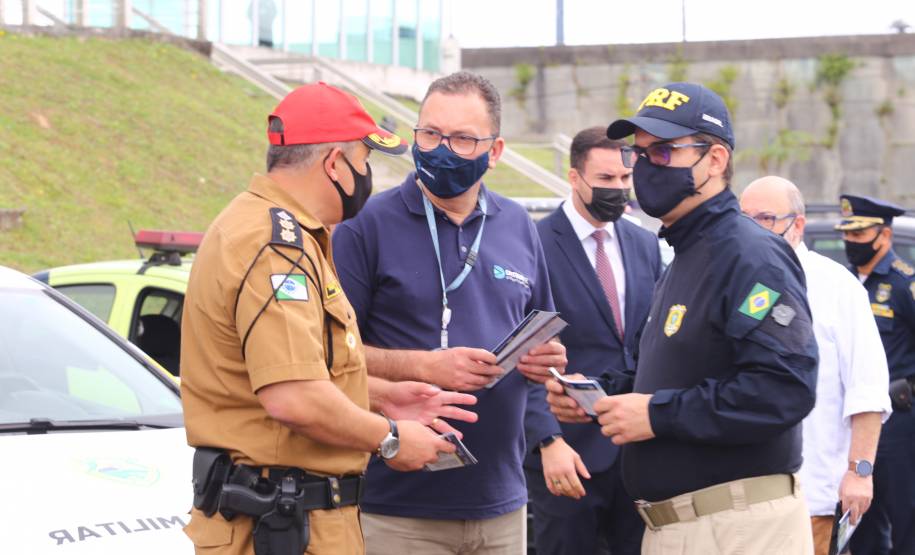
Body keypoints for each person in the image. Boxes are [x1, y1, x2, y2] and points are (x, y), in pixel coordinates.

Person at [180, 82, 480, 555]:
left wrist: (380, 399)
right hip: (281, 525)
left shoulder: (280, 232)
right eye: (364, 162)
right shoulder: (275, 246)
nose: (367, 176)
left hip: (292, 518)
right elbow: (293, 397)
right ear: (334, 163)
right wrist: (391, 439)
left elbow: (299, 372)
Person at [545, 82, 819, 553]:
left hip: (735, 525)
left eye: (665, 151)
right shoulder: (684, 254)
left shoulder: (750, 255)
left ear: (715, 160)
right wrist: (601, 395)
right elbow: (674, 373)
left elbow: (784, 388)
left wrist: (656, 415)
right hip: (684, 524)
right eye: (642, 152)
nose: (647, 166)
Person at [332, 71, 572, 554]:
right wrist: (423, 366)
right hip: (398, 507)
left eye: (463, 139)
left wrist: (543, 364)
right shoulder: (364, 226)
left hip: (502, 503)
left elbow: (540, 335)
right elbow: (331, 353)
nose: (442, 150)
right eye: (430, 134)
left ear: (496, 151)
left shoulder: (519, 225)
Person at [523, 127, 660, 555]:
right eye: (606, 180)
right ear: (574, 177)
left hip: (637, 454)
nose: (618, 190)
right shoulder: (535, 244)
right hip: (568, 456)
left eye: (624, 179)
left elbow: (649, 345)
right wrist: (547, 440)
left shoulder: (644, 244)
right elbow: (523, 358)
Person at [740, 177, 891, 555]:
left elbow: (867, 388)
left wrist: (859, 472)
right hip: (742, 496)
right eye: (743, 219)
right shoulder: (738, 283)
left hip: (811, 495)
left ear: (798, 225)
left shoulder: (836, 286)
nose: (752, 230)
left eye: (766, 218)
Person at [836, 194, 915, 555]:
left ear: (883, 236)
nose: (850, 244)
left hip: (899, 421)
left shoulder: (904, 285)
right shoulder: (846, 283)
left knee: (905, 516)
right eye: (847, 236)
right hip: (854, 422)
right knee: (859, 522)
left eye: (858, 236)